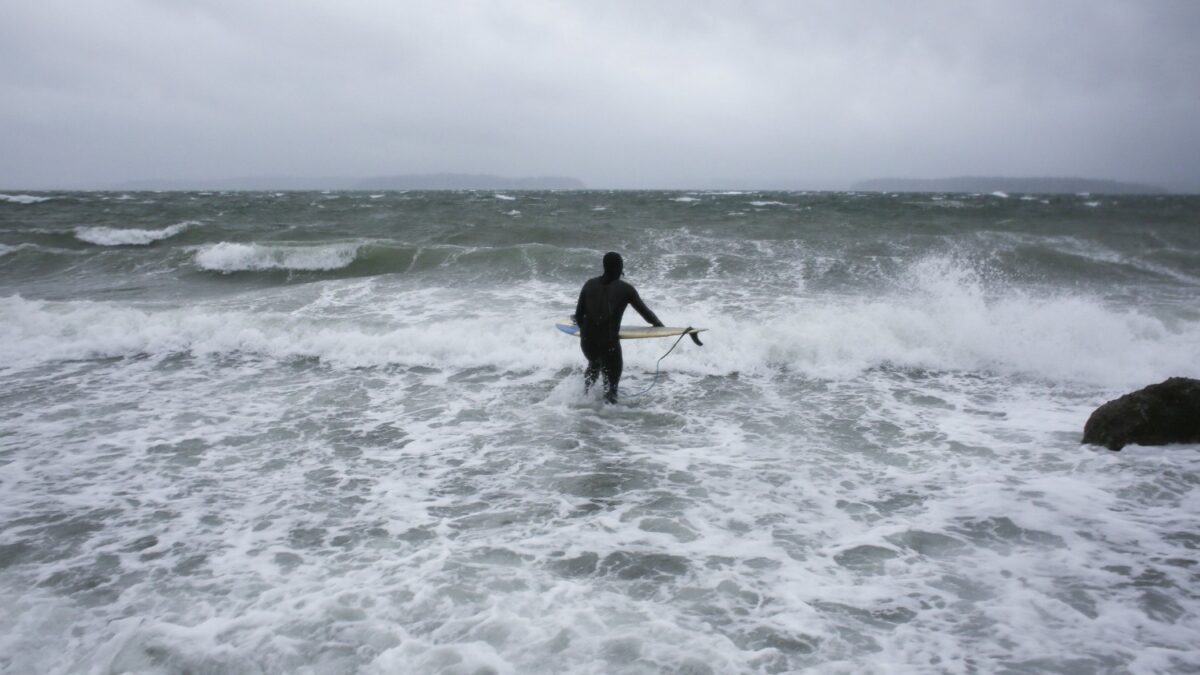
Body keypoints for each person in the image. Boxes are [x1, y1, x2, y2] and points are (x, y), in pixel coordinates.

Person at [573, 252, 663, 403]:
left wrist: (588, 334)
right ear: (620, 267)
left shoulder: (589, 284)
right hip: (609, 345)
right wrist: (659, 325)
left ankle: (585, 403)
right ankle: (609, 416)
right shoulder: (626, 289)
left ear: (604, 266)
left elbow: (578, 316)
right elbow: (646, 314)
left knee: (594, 365)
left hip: (587, 343)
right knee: (611, 388)